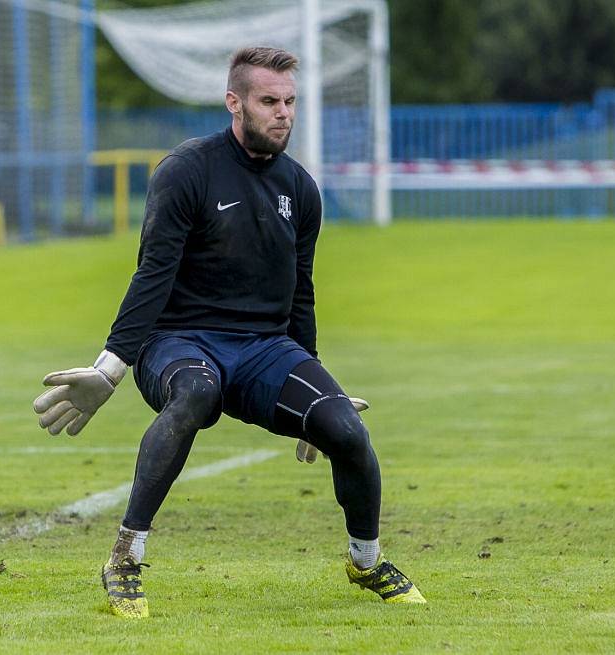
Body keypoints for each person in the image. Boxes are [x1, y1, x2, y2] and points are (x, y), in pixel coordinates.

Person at [33, 46, 425, 618]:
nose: (284, 113)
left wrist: (317, 390)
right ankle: (124, 558)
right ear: (234, 103)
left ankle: (366, 562)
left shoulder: (303, 190)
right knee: (196, 394)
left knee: (345, 426)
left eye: (290, 101)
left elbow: (301, 293)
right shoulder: (187, 171)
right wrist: (109, 368)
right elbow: (151, 276)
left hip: (264, 350)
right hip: (178, 341)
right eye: (269, 101)